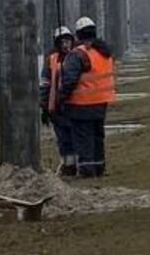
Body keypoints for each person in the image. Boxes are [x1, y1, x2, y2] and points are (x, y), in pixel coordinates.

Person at [56, 15, 115, 178]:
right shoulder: (104, 52)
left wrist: (61, 98)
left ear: (78, 34)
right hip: (101, 101)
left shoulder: (79, 54)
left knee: (83, 137)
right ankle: (99, 167)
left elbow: (69, 80)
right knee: (97, 136)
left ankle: (87, 169)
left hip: (82, 103)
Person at [40, 26, 78, 176]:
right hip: (56, 108)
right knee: (63, 139)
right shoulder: (51, 59)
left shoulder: (76, 56)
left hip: (74, 105)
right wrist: (44, 106)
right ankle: (68, 165)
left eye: (68, 41)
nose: (65, 45)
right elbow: (45, 83)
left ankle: (75, 164)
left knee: (75, 137)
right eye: (62, 42)